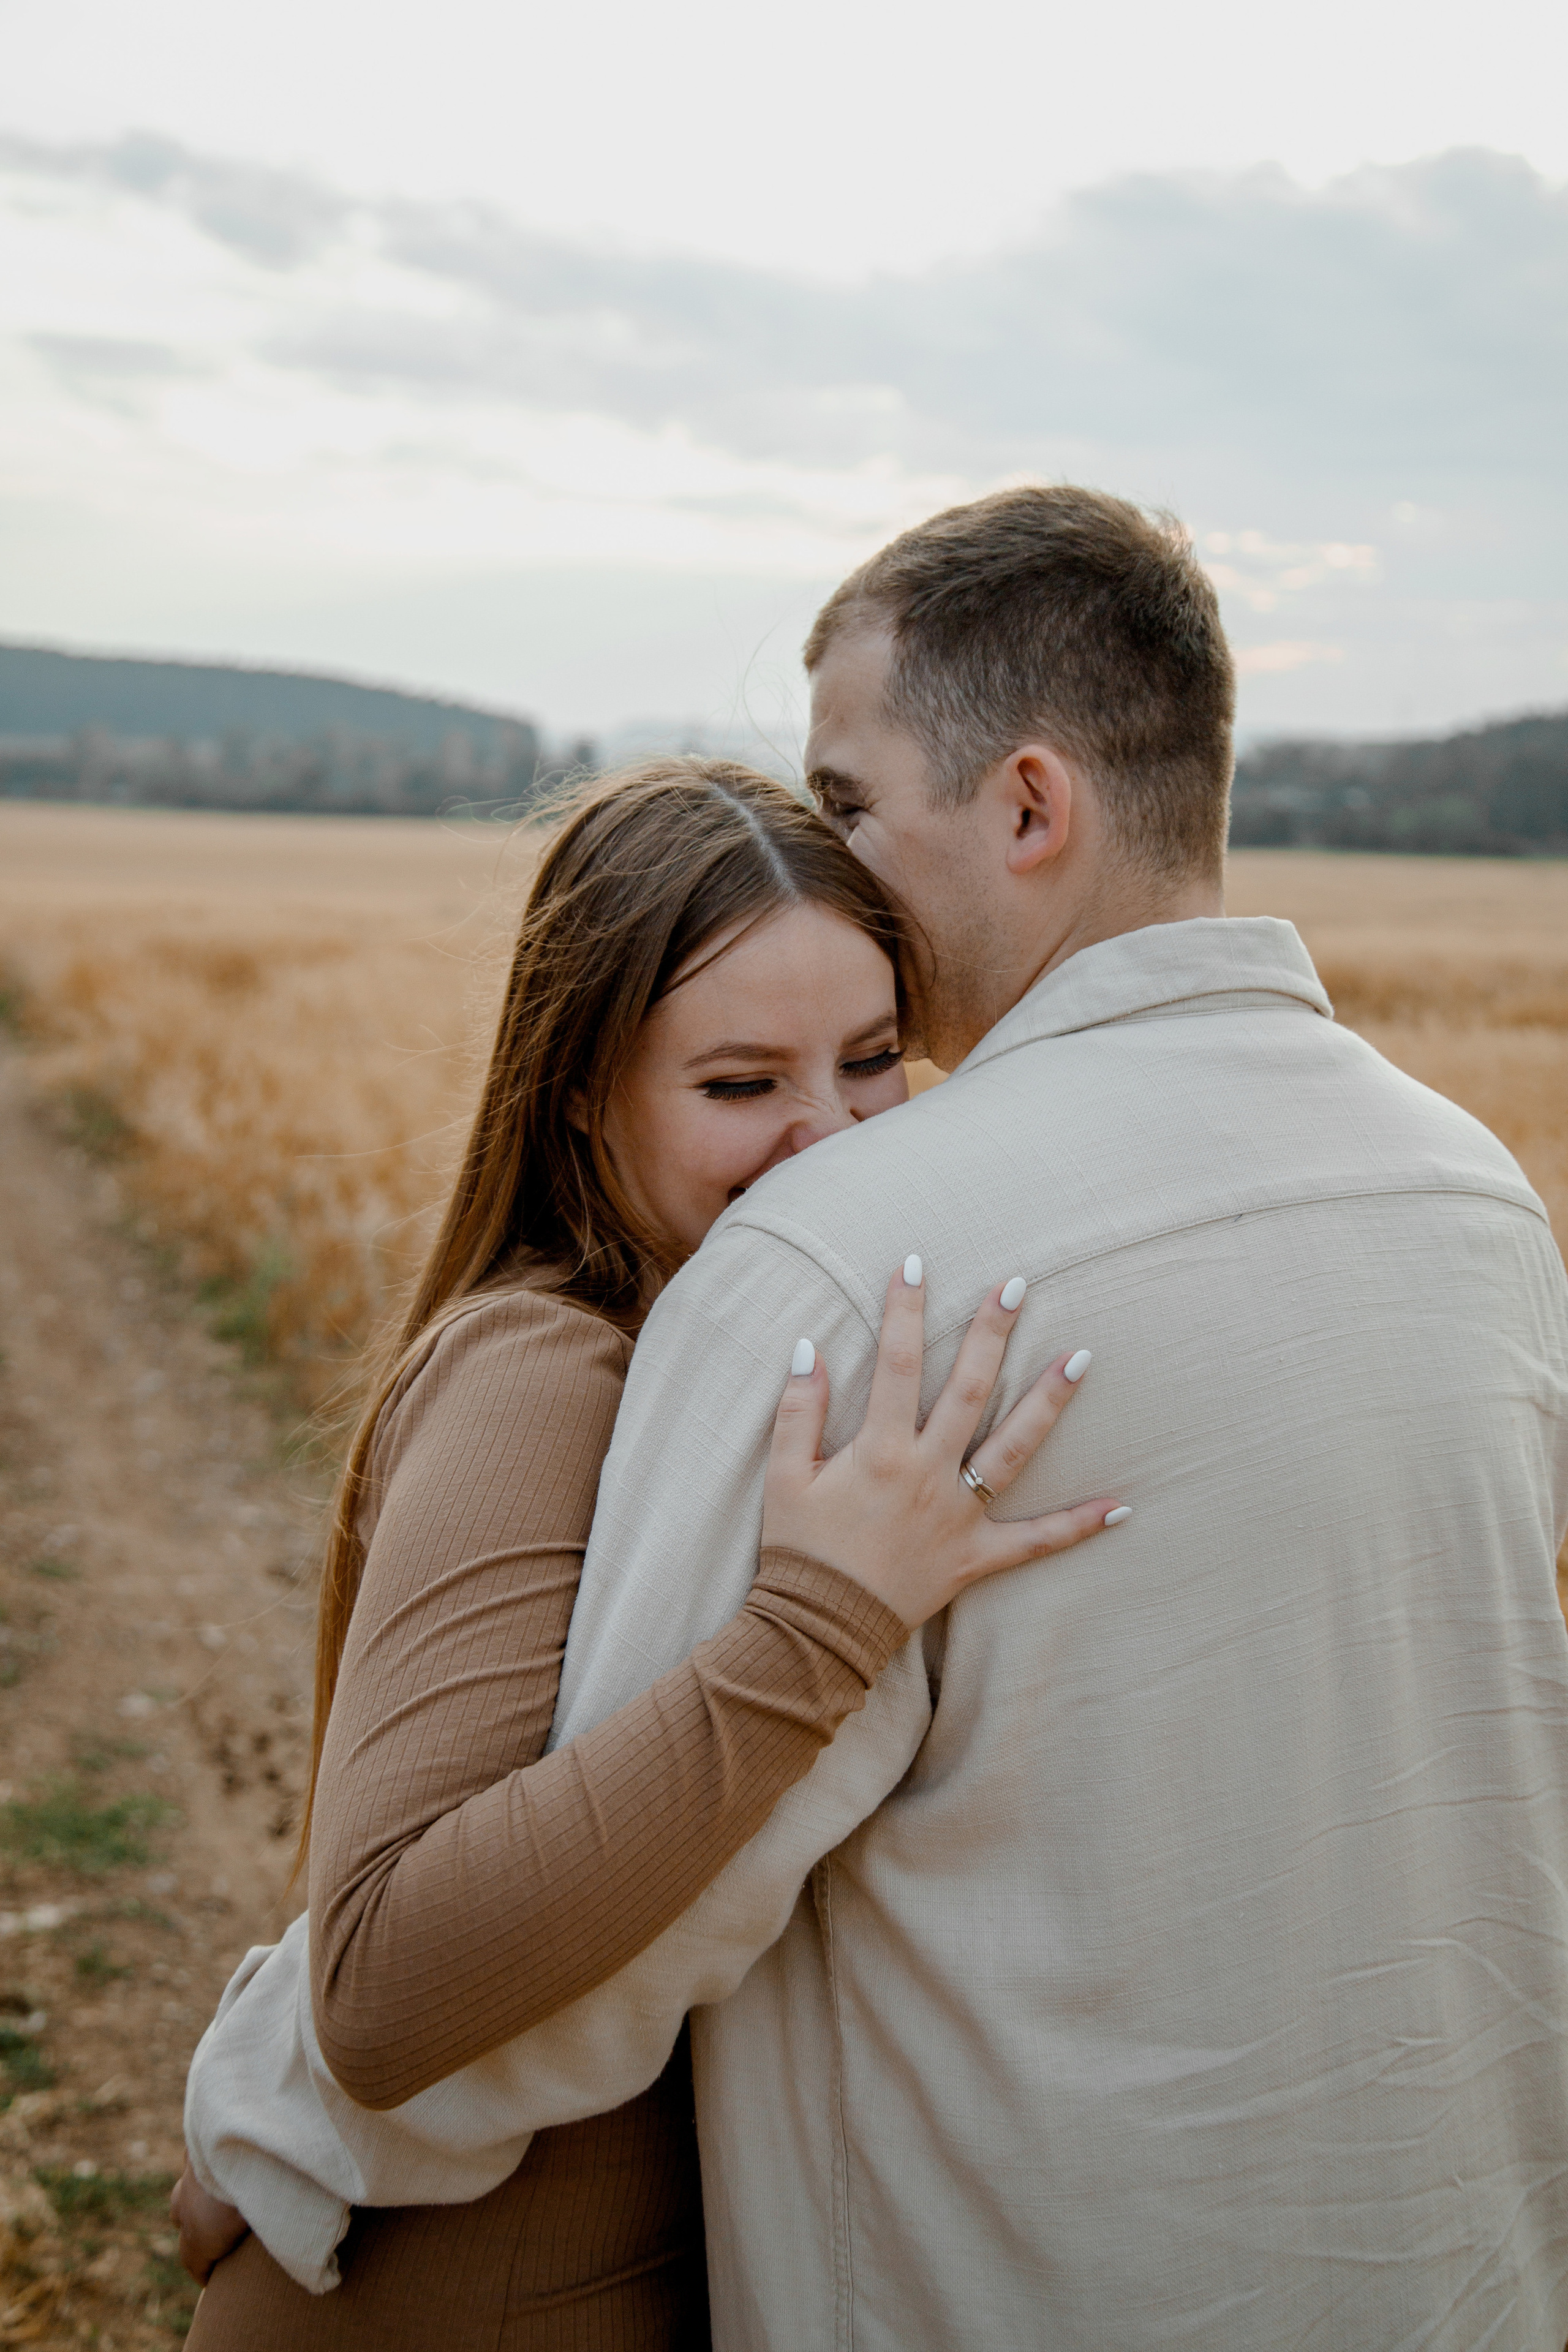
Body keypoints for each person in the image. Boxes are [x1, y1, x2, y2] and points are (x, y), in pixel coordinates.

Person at [186, 486, 1568, 2349]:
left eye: (843, 800)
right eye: (744, 1077)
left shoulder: (858, 1276)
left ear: (1023, 807)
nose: (819, 852)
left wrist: (266, 2113)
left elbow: (525, 2008)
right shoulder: (1478, 1199)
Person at [173, 756, 1122, 2348]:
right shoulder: (547, 1373)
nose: (830, 1140)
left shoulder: (751, 1362)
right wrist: (819, 1627)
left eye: (876, 1060)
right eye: (741, 1086)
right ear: (582, 1096)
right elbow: (389, 1980)